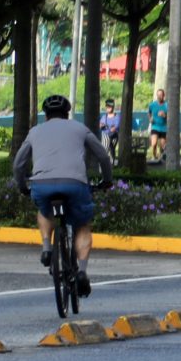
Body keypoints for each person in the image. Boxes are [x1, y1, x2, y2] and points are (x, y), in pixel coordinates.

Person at [14, 94, 112, 294]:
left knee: (44, 211)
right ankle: (82, 271)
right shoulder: (79, 128)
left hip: (42, 185)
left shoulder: (35, 131)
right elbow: (103, 155)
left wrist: (22, 186)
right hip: (74, 184)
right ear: (67, 114)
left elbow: (18, 164)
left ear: (46, 115)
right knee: (82, 225)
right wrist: (107, 180)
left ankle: (46, 248)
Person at [147, 87, 170, 162]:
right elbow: (149, 112)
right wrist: (150, 119)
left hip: (163, 128)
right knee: (154, 144)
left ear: (164, 96)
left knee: (163, 146)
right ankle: (154, 157)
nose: (159, 96)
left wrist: (165, 116)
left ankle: (161, 158)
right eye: (158, 95)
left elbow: (171, 117)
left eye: (161, 95)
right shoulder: (152, 105)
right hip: (155, 127)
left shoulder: (167, 105)